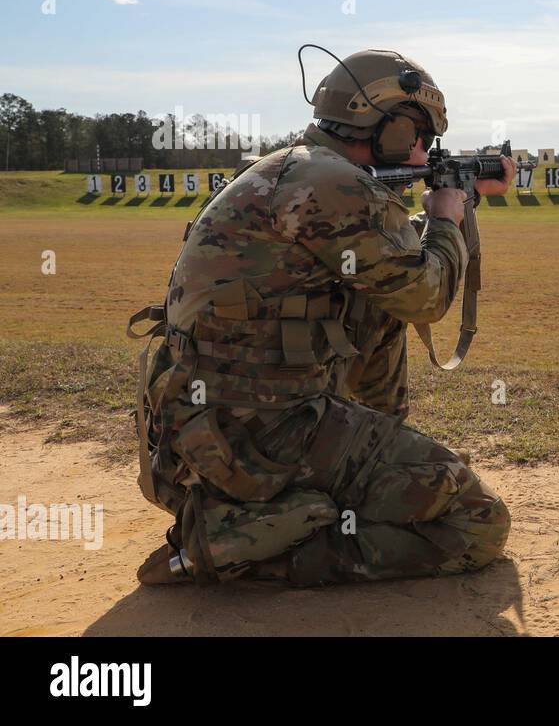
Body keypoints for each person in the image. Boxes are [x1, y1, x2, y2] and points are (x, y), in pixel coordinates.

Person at [128, 49, 514, 585]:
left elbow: (386, 269)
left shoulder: (300, 168)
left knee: (372, 309)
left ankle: (294, 506)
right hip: (258, 437)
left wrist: (448, 206)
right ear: (389, 127)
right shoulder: (335, 184)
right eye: (419, 134)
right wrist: (448, 219)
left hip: (204, 434)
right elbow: (424, 296)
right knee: (478, 522)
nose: (424, 150)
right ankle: (238, 545)